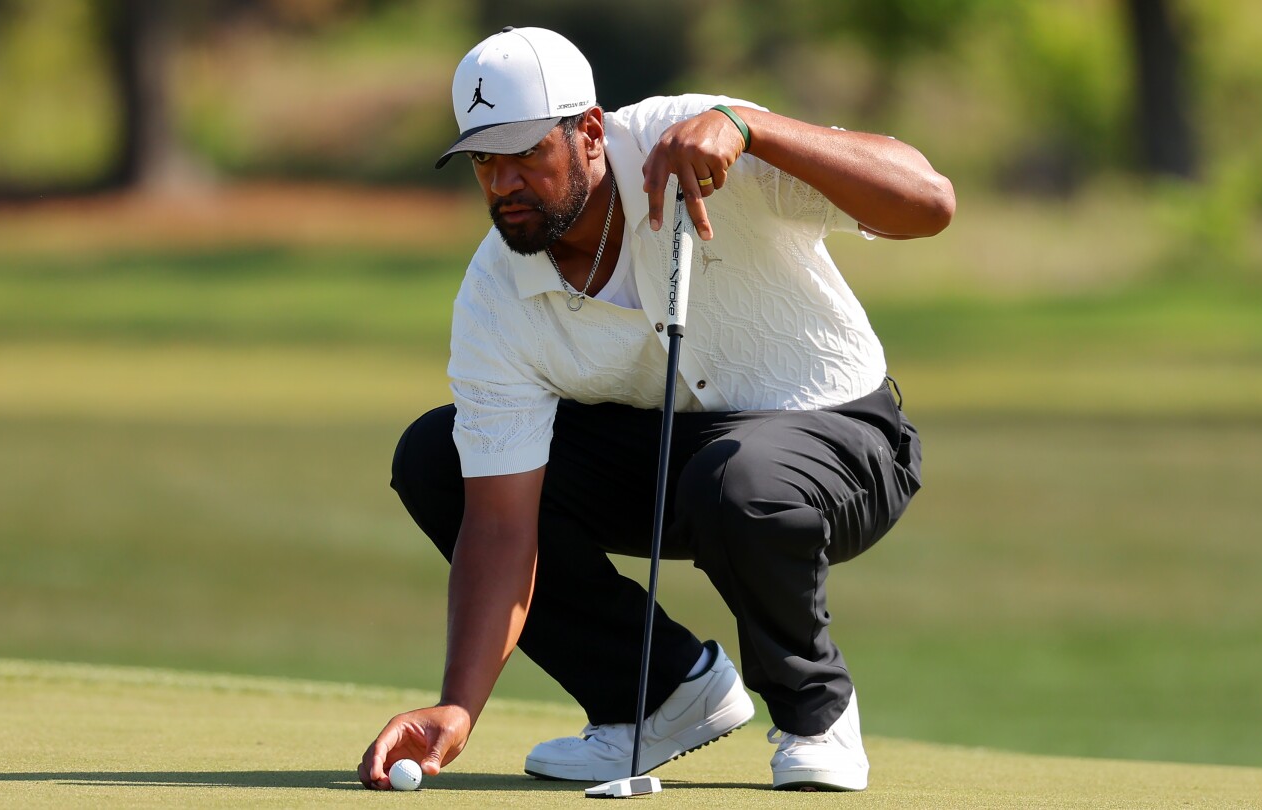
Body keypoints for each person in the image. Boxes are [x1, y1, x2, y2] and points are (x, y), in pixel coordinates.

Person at [359, 26, 954, 792]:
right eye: (484, 159)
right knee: (438, 458)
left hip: (845, 441)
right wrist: (459, 706)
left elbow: (929, 203)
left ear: (591, 133)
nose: (504, 182)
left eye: (527, 153)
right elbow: (503, 526)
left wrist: (753, 127)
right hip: (687, 463)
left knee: (735, 480)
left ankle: (815, 714)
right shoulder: (494, 296)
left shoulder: (703, 143)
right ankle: (659, 697)